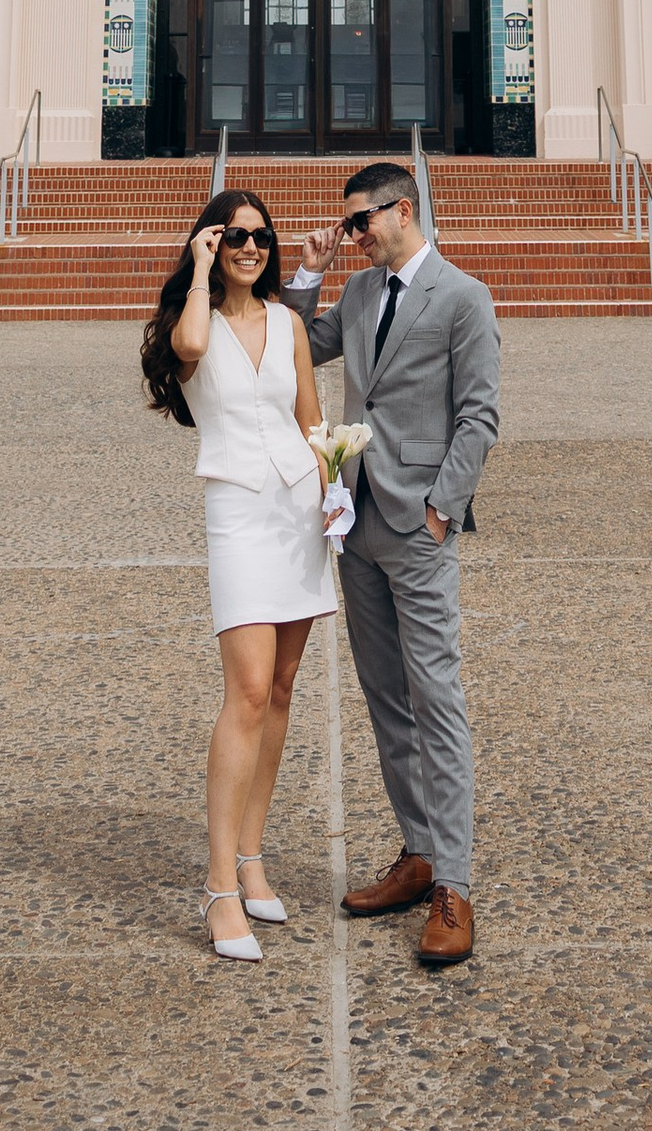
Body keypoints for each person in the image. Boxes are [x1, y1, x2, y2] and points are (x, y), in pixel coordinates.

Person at [282, 159, 499, 971]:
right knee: (385, 697)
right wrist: (310, 267)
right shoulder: (363, 292)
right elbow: (295, 342)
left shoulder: (463, 297)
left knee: (436, 696)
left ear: (400, 211)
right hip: (355, 521)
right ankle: (415, 850)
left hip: (418, 525)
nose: (351, 235)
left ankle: (453, 882)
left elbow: (480, 413)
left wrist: (442, 508)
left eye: (358, 223)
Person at [140, 186, 333, 963]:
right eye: (234, 237)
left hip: (297, 514)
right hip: (238, 515)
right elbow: (188, 348)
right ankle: (221, 885)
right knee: (246, 690)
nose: (250, 248)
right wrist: (198, 268)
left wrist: (335, 498)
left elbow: (312, 421)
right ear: (212, 244)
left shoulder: (289, 323)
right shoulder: (193, 324)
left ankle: (253, 856)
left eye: (260, 238)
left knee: (282, 688)